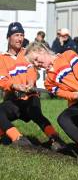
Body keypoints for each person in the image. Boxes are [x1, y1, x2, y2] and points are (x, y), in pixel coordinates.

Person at [0, 22, 65, 151]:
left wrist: (30, 83)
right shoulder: (2, 58)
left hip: (30, 96)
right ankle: (17, 138)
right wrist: (15, 86)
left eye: (22, 35)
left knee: (36, 114)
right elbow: (2, 80)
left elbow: (32, 70)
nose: (20, 38)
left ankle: (55, 139)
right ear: (8, 37)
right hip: (14, 98)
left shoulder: (27, 53)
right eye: (16, 35)